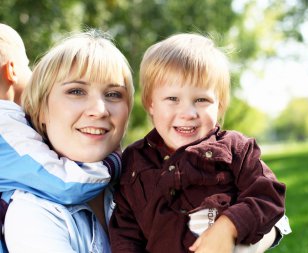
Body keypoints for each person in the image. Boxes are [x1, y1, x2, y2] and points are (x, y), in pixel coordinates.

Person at [109, 33, 290, 253]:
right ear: (151, 104)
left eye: (201, 100)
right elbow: (125, 230)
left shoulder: (236, 149)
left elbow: (268, 196)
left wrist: (229, 225)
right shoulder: (135, 161)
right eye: (173, 99)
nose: (188, 113)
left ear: (220, 105)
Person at [3, 29, 134, 253]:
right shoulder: (32, 213)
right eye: (76, 91)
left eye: (113, 94)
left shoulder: (145, 185)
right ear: (41, 111)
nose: (99, 110)